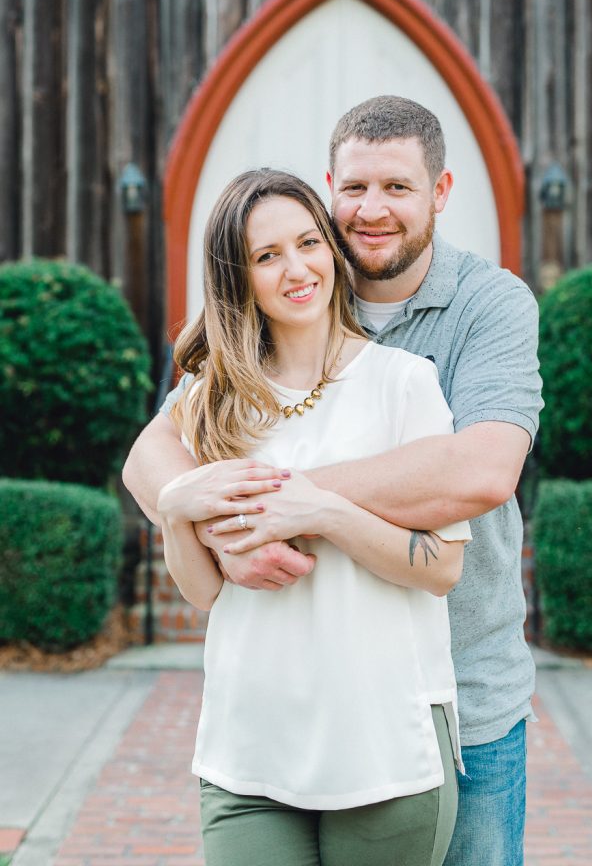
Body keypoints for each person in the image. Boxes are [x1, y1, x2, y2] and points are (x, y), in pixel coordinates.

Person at [123, 95, 543, 866]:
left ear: (439, 194)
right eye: (353, 188)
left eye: (397, 188)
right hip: (286, 708)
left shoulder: (487, 306)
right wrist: (203, 518)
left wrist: (283, 501)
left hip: (458, 696)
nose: (371, 210)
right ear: (327, 188)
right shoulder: (297, 290)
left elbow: (480, 471)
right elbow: (155, 453)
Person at [149, 167, 472, 866]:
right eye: (267, 257)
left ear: (331, 247)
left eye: (307, 243)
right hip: (248, 750)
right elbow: (204, 592)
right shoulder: (209, 399)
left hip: (385, 744)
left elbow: (443, 566)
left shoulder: (402, 383)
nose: (297, 269)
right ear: (239, 278)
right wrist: (176, 512)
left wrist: (323, 510)